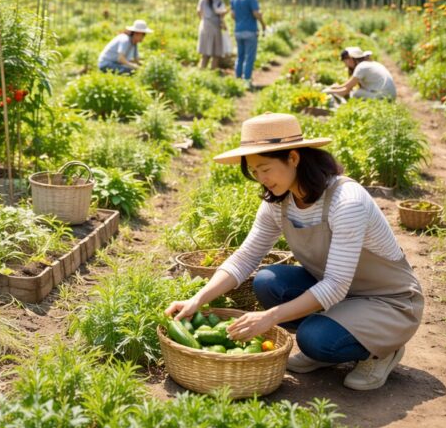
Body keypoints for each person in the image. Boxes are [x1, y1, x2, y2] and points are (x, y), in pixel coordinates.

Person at [166, 113, 423, 391]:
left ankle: (382, 350)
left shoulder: (347, 201)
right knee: (268, 282)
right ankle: (334, 340)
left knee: (314, 339)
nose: (261, 179)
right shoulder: (279, 201)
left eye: (265, 168)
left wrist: (270, 317)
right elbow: (246, 256)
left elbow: (335, 285)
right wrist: (197, 299)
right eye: (254, 172)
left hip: (388, 302)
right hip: (342, 294)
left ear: (293, 158)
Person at [229, 0, 267, 87]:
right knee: (249, 57)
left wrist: (240, 21)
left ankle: (238, 79)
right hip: (250, 30)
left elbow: (233, 15)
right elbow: (256, 13)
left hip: (238, 30)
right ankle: (246, 81)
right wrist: (263, 24)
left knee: (239, 56)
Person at [326, 47, 397, 101]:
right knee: (357, 92)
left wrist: (327, 91)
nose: (346, 65)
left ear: (351, 59)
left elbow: (346, 90)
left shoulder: (361, 67)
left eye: (345, 61)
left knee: (355, 94)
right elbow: (348, 87)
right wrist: (337, 87)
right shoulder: (369, 63)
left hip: (384, 96)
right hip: (390, 94)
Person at [197, 0, 237, 70]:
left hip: (205, 27)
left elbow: (198, 11)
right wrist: (229, 9)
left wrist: (204, 20)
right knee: (216, 53)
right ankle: (212, 72)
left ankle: (202, 72)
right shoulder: (218, 0)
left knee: (206, 53)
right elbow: (220, 13)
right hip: (214, 28)